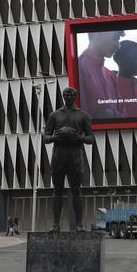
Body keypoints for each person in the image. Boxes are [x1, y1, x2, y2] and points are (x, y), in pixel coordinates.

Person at [43, 86, 94, 231]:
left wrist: (78, 136)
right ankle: (55, 224)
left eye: (71, 94)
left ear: (75, 96)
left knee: (76, 191)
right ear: (63, 96)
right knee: (57, 191)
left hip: (75, 156)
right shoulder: (54, 115)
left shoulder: (83, 115)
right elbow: (45, 137)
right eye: (66, 94)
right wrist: (55, 136)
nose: (68, 96)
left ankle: (79, 224)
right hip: (58, 155)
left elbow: (91, 139)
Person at [77, 30, 123, 118]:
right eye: (115, 38)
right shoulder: (79, 68)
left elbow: (125, 115)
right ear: (96, 33)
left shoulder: (111, 76)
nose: (118, 45)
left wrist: (111, 114)